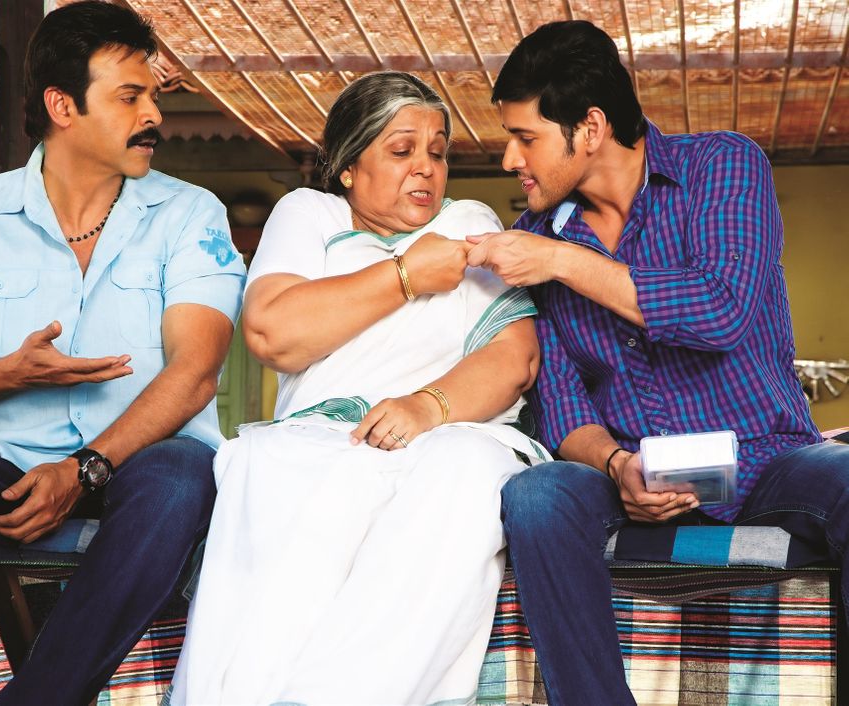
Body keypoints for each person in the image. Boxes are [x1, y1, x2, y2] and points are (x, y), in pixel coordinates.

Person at [0, 3, 244, 704]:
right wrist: (10, 373)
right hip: (3, 469)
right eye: (130, 96)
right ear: (63, 105)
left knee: (185, 474)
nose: (154, 113)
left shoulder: (192, 216)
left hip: (141, 469)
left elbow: (195, 373)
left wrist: (85, 469)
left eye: (152, 94)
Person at [466, 20, 849, 705]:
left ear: (589, 128)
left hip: (771, 462)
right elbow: (559, 401)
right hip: (629, 478)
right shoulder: (529, 241)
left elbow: (720, 308)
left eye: (525, 138)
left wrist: (562, 260)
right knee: (537, 495)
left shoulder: (722, 166)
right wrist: (617, 466)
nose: (508, 160)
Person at [168, 71, 547, 705]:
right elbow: (272, 333)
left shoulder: (466, 222)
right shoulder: (308, 214)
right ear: (348, 166)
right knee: (273, 465)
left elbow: (516, 357)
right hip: (319, 436)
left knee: (463, 473)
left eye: (437, 150)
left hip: (448, 429)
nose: (425, 168)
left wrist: (427, 407)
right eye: (402, 151)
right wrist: (406, 272)